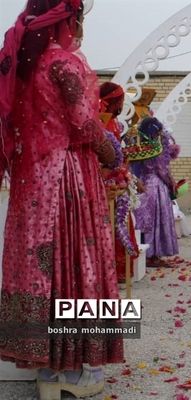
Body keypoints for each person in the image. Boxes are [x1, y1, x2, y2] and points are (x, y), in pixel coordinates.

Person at [0, 1, 123, 398]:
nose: (79, 29)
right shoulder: (63, 64)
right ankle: (72, 375)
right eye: (77, 21)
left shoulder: (23, 68)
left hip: (30, 178)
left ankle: (46, 373)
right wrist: (111, 152)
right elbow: (84, 123)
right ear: (65, 22)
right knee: (73, 265)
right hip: (68, 176)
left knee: (41, 271)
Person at [99, 81, 140, 282]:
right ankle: (110, 273)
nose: (122, 105)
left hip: (118, 179)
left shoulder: (114, 122)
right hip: (105, 181)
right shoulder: (101, 121)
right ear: (112, 101)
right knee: (111, 225)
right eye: (121, 100)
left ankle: (121, 271)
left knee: (121, 222)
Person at [129, 117, 180, 268]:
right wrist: (171, 182)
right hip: (156, 187)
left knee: (144, 221)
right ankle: (154, 255)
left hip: (142, 185)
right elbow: (161, 169)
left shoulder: (138, 145)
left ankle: (146, 254)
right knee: (157, 220)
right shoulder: (154, 147)